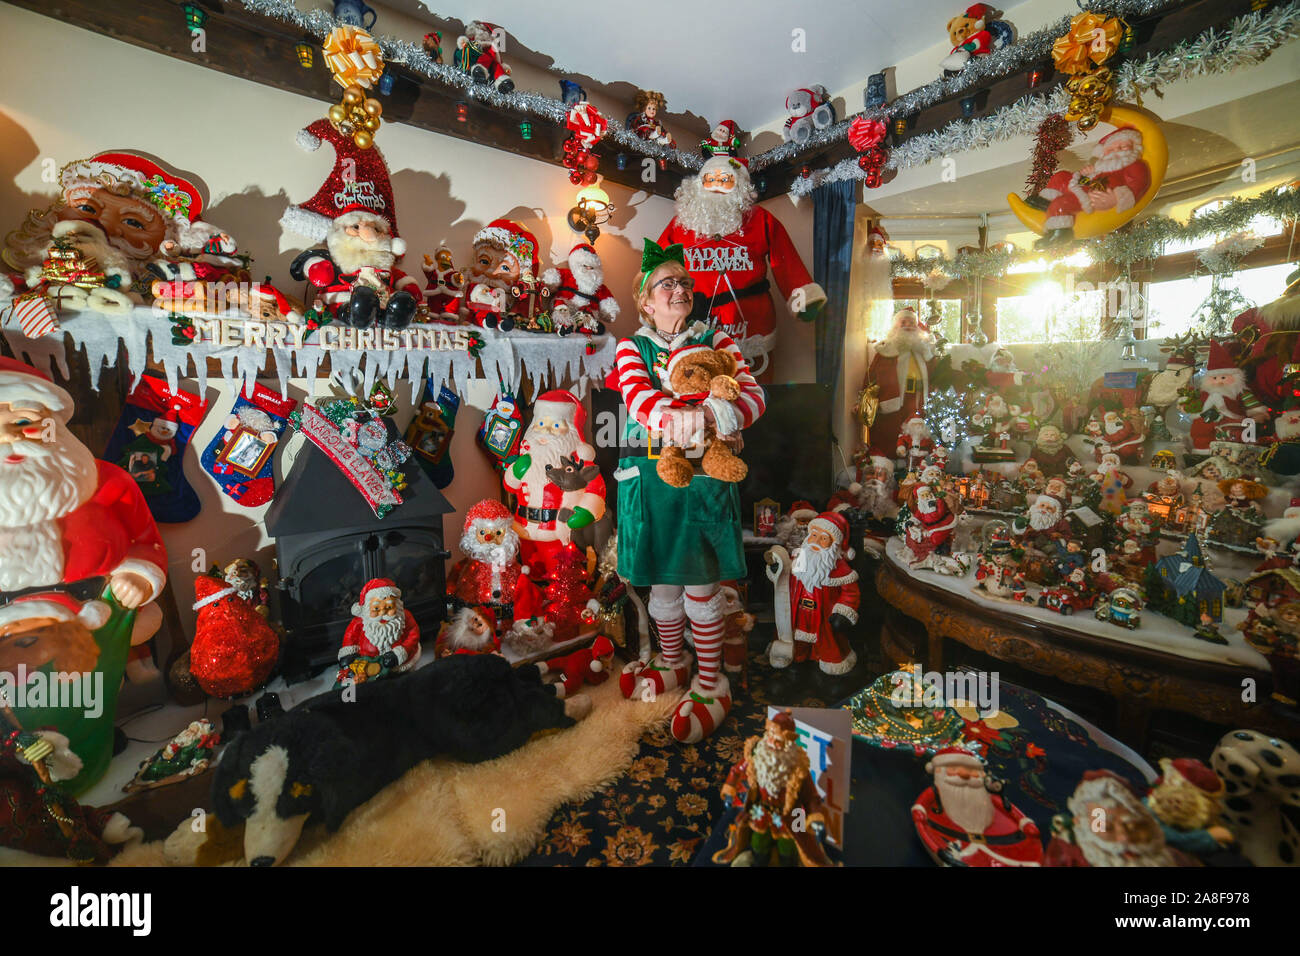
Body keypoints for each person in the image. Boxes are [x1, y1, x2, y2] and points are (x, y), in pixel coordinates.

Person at [608, 239, 765, 743]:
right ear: (647, 302)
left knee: (700, 584)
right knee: (662, 585)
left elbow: (754, 395)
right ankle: (673, 662)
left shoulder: (718, 340)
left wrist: (712, 415)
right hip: (651, 483)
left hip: (703, 484)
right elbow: (638, 398)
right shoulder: (633, 345)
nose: (679, 289)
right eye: (666, 284)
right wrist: (692, 418)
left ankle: (712, 681)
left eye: (684, 283)